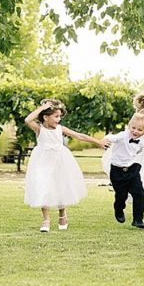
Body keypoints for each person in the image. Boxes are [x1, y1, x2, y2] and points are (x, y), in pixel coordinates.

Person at [24, 99, 109, 233]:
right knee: (43, 187)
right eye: (56, 116)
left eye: (60, 117)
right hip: (43, 161)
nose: (59, 119)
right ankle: (45, 219)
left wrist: (97, 142)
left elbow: (80, 136)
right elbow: (28, 120)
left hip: (59, 160)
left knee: (60, 186)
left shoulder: (60, 129)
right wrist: (43, 108)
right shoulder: (39, 129)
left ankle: (62, 213)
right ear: (46, 117)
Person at [104, 113, 144, 229]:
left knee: (139, 194)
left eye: (140, 130)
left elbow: (138, 151)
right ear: (129, 126)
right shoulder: (123, 135)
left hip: (132, 169)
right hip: (117, 171)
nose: (135, 131)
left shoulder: (142, 142)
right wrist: (105, 140)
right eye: (133, 128)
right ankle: (119, 209)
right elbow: (112, 137)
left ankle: (138, 219)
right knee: (121, 195)